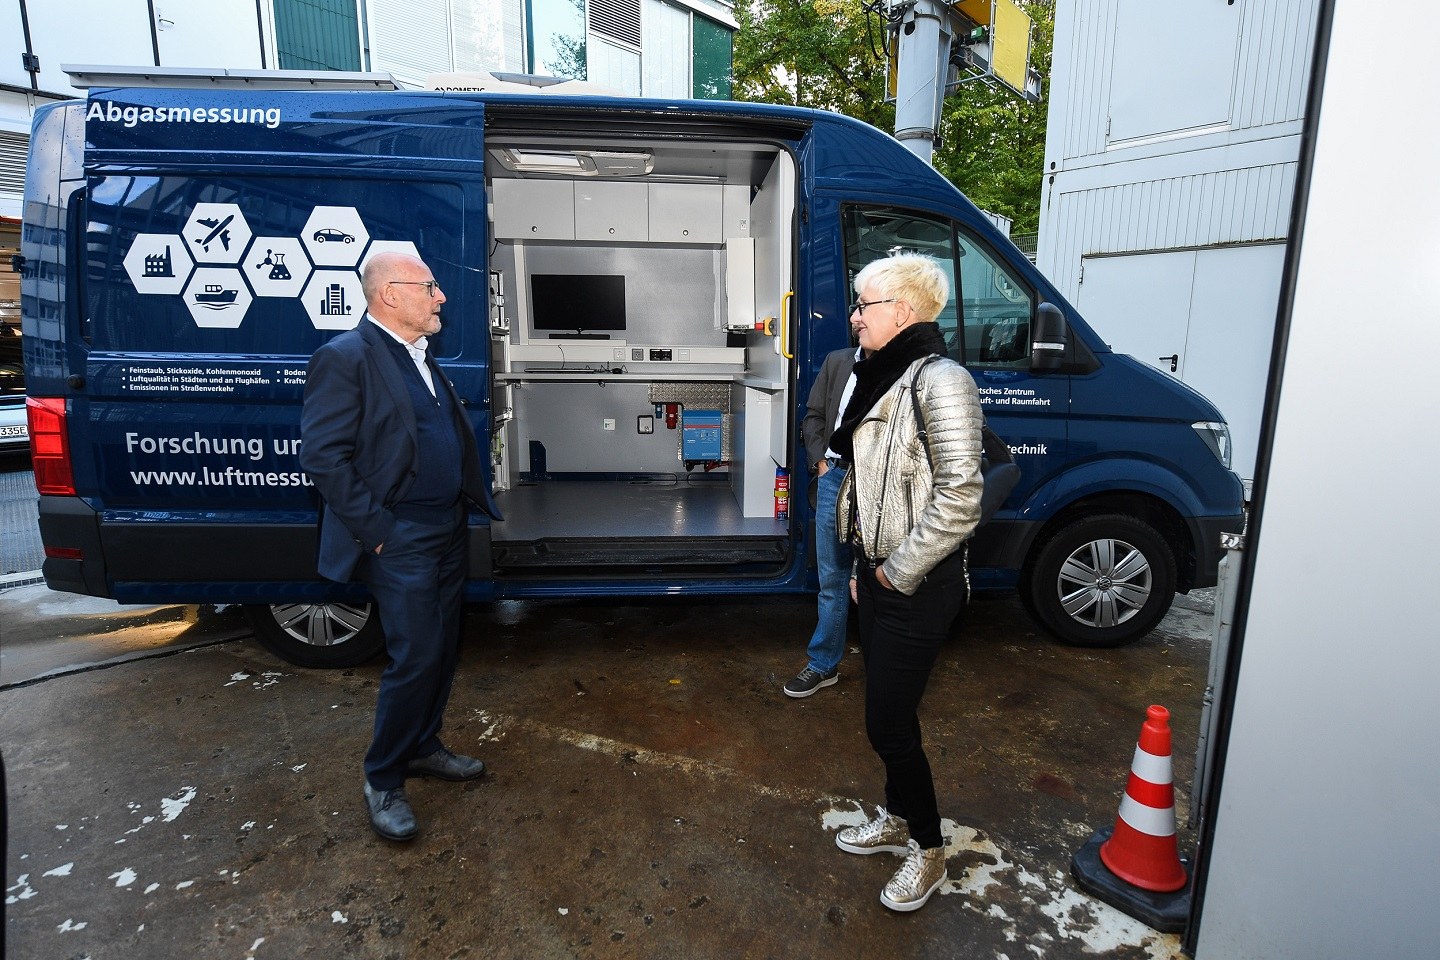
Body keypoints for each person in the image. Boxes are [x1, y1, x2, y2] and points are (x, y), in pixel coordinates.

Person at [300, 251, 501, 842]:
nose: (440, 297)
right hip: (401, 535)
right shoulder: (345, 358)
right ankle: (383, 776)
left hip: (444, 528)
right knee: (414, 655)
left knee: (443, 646)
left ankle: (422, 745)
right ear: (390, 294)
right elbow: (323, 457)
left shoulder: (418, 356)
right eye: (430, 287)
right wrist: (380, 531)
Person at [828, 252, 984, 912]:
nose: (855, 316)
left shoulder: (940, 379)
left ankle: (926, 846)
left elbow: (960, 494)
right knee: (885, 717)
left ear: (903, 312)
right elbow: (874, 484)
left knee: (889, 724)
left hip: (920, 582)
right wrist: (867, 562)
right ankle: (895, 817)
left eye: (865, 305)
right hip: (883, 572)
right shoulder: (882, 376)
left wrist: (897, 569)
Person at [785, 342, 862, 697]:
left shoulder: (908, 367)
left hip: (879, 482)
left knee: (882, 580)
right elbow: (814, 414)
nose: (856, 316)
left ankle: (889, 669)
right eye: (856, 306)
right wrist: (822, 463)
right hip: (834, 477)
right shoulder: (837, 360)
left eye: (864, 307)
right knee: (832, 579)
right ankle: (823, 664)